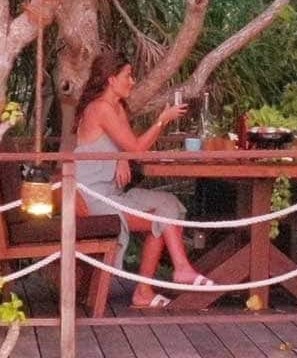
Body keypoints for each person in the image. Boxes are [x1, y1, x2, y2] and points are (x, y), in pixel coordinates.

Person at [75, 52, 213, 309]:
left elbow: (126, 146)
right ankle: (170, 275)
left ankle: (156, 284)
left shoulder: (116, 108)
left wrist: (121, 157)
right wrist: (162, 119)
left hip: (112, 192)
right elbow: (137, 148)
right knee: (158, 221)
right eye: (128, 76)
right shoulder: (100, 108)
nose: (132, 81)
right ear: (111, 79)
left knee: (167, 203)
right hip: (92, 196)